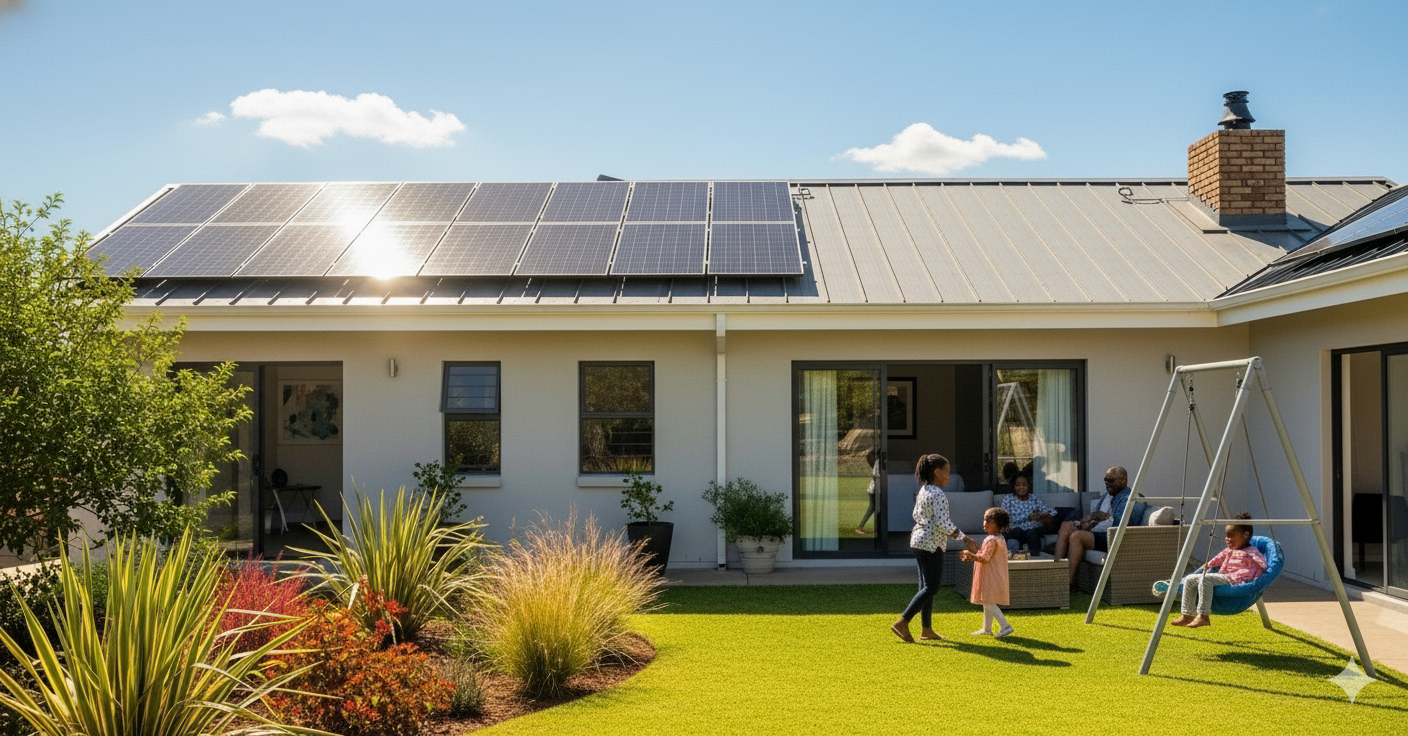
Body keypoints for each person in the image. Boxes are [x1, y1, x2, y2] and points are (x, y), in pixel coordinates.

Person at [891, 454, 978, 643]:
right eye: (947, 472)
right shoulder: (937, 493)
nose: (949, 476)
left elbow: (919, 515)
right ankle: (903, 622)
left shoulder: (924, 490)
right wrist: (964, 538)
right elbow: (943, 523)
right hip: (931, 544)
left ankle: (927, 630)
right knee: (931, 587)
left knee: (926, 587)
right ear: (937, 472)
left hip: (918, 541)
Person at [1171, 512, 1267, 628]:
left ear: (1246, 535)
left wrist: (1261, 573)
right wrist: (1208, 565)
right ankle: (1187, 614)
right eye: (1226, 536)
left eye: (1231, 536)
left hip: (1237, 579)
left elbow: (1262, 564)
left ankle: (1203, 616)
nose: (1227, 539)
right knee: (1190, 579)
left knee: (1205, 580)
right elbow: (1218, 559)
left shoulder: (1251, 551)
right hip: (1225, 576)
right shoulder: (1229, 551)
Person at [1054, 466, 1133, 589]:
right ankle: (1056, 573)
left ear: (1123, 480)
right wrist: (1088, 523)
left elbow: (1117, 526)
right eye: (1105, 480)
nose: (1107, 483)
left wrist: (1096, 522)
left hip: (1110, 537)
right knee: (1066, 526)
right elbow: (1097, 517)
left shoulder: (1128, 498)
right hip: (1097, 530)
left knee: (1077, 536)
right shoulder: (1107, 496)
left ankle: (1069, 583)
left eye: (1111, 480)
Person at [961, 507, 1014, 637]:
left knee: (988, 602)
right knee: (986, 601)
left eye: (988, 521)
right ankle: (987, 629)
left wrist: (971, 556)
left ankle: (1005, 626)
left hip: (990, 576)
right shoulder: (998, 538)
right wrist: (974, 555)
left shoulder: (992, 540)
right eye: (984, 520)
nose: (984, 523)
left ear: (997, 524)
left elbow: (985, 559)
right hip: (994, 574)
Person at [1000, 474, 1055, 555]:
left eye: (1024, 485)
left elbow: (1050, 512)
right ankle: (1021, 554)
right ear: (1014, 486)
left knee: (1031, 532)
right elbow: (1003, 517)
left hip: (1033, 529)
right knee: (1018, 532)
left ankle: (1035, 557)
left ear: (1029, 486)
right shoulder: (1008, 499)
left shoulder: (1033, 499)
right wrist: (1028, 517)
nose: (1021, 487)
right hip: (1015, 530)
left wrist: (1039, 515)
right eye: (1018, 485)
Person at [854, 449, 881, 536]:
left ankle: (877, 528)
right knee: (873, 508)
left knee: (875, 508)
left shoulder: (878, 462)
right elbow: (875, 475)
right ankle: (860, 527)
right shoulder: (879, 462)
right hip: (874, 489)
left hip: (875, 489)